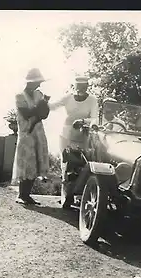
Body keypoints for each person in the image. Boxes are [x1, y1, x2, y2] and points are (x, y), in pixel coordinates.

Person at [48, 76, 99, 206]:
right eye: (78, 86)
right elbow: (53, 106)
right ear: (75, 86)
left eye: (84, 86)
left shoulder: (92, 100)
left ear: (87, 86)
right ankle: (66, 196)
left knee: (81, 163)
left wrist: (83, 121)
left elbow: (94, 118)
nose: (81, 89)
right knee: (65, 163)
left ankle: (81, 194)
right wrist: (43, 101)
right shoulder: (68, 98)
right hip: (66, 134)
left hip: (83, 136)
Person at [12, 68, 51, 205]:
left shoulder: (38, 94)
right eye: (37, 82)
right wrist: (40, 106)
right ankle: (21, 194)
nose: (39, 85)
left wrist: (42, 106)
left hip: (38, 132)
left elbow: (44, 114)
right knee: (27, 162)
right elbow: (26, 114)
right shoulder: (20, 97)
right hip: (26, 132)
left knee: (36, 163)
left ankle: (27, 195)